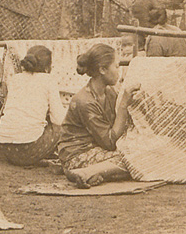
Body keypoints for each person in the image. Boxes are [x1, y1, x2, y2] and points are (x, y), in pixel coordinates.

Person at [57, 43, 138, 188]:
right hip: (77, 155)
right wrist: (124, 104)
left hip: (97, 149)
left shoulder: (109, 92)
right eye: (116, 66)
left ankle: (97, 173)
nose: (119, 71)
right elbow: (109, 142)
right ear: (102, 69)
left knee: (140, 155)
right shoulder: (85, 101)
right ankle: (86, 172)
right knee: (135, 160)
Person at [0, 45, 66, 166]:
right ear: (47, 67)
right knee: (62, 127)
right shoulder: (48, 80)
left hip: (5, 147)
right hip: (29, 149)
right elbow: (58, 119)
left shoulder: (15, 79)